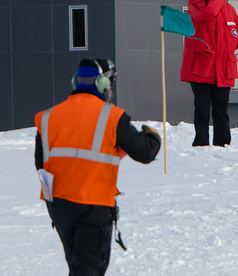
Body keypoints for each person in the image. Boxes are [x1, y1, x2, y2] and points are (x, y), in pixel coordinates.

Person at [35, 59, 161, 276]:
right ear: (102, 83)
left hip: (59, 206)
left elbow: (40, 164)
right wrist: (154, 137)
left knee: (78, 266)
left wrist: (51, 201)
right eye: (110, 84)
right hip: (93, 206)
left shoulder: (48, 117)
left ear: (75, 82)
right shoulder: (112, 116)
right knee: (88, 270)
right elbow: (144, 152)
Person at [180, 0, 238, 147]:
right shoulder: (195, 3)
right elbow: (209, 13)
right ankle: (201, 144)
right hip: (201, 67)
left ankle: (222, 144)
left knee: (221, 110)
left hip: (223, 67)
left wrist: (234, 42)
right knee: (202, 109)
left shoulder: (229, 8)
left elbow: (237, 30)